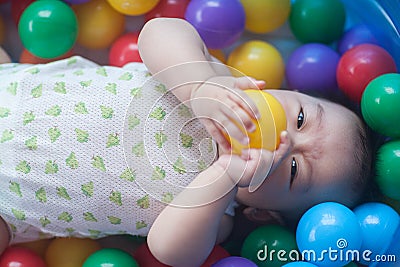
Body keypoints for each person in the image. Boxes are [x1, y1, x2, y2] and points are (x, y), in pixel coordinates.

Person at [0, 18, 373, 266]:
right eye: (301, 118)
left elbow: (169, 250)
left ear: (262, 214)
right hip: (12, 89)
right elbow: (157, 32)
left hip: (11, 202)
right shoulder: (216, 76)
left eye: (293, 169)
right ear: (285, 91)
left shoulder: (217, 214)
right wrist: (198, 85)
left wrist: (225, 174)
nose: (286, 140)